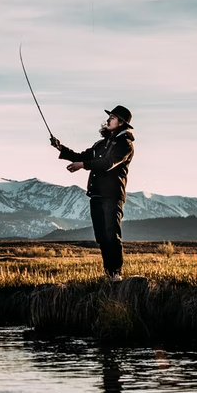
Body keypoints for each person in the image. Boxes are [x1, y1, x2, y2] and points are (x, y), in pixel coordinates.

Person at [50, 106, 135, 281]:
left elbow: (107, 163)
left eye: (112, 117)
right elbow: (82, 156)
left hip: (112, 196)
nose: (108, 120)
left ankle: (116, 273)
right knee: (102, 236)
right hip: (96, 195)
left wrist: (82, 165)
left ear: (121, 123)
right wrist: (60, 148)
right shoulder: (101, 144)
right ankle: (108, 273)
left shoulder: (125, 145)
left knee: (112, 234)